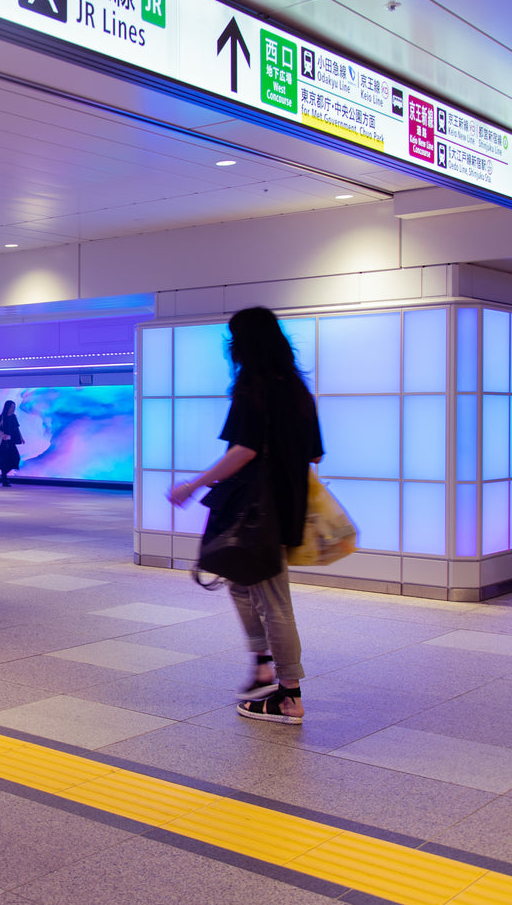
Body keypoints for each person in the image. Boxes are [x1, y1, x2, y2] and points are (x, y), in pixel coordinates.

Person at [167, 307, 323, 725]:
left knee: (274, 600)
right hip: (286, 507)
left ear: (243, 344)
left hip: (258, 514)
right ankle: (263, 665)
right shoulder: (298, 392)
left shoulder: (253, 389)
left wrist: (192, 485)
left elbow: (243, 451)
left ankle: (289, 696)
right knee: (240, 583)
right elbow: (314, 455)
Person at [0, 399, 24, 486]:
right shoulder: (2, 417)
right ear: (7, 407)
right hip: (2, 443)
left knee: (16, 458)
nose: (13, 409)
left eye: (14, 407)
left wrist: (21, 438)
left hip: (11, 441)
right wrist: (2, 435)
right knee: (4, 461)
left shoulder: (13, 417)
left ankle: (3, 475)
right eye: (11, 407)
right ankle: (4, 480)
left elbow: (17, 428)